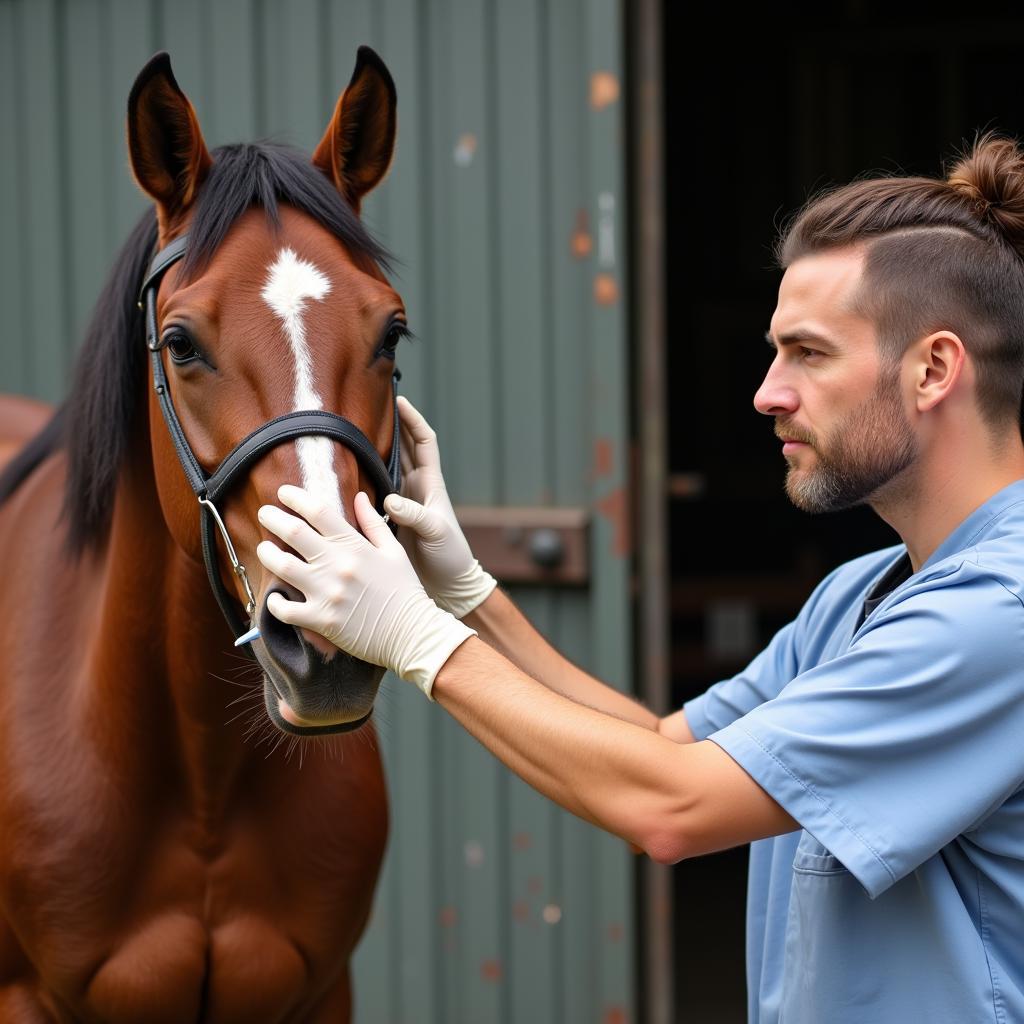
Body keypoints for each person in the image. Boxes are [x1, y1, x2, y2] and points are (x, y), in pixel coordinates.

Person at [254, 129, 1024, 1023]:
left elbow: (672, 808)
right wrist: (466, 594)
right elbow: (667, 748)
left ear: (933, 369)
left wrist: (417, 640)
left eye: (808, 353)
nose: (766, 392)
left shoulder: (997, 616)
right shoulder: (861, 597)